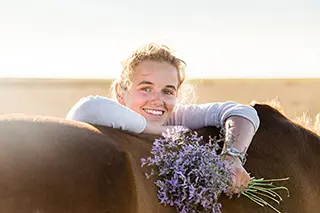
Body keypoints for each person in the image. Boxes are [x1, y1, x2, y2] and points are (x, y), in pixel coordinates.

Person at [66, 43, 260, 194]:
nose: (157, 100)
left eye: (167, 91)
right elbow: (85, 108)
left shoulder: (175, 115)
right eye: (146, 88)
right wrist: (161, 131)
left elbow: (242, 111)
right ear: (120, 92)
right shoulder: (107, 112)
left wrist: (232, 158)